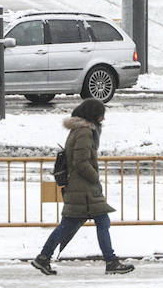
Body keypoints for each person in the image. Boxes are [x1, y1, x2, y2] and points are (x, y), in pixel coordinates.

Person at [31, 98, 134, 276]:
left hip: (80, 188)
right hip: (84, 188)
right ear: (93, 115)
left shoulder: (77, 130)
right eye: (101, 115)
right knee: (97, 222)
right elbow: (81, 162)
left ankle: (44, 257)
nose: (103, 119)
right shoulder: (85, 132)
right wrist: (95, 177)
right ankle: (111, 262)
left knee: (74, 224)